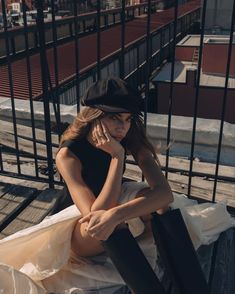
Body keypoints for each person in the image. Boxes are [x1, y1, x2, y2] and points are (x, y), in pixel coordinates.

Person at [56, 77, 173, 293]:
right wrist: (117, 156)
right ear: (94, 116)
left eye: (128, 119)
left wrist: (118, 214)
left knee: (159, 205)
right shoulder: (68, 154)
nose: (123, 127)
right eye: (114, 118)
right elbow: (96, 214)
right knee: (104, 225)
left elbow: (165, 193)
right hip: (77, 223)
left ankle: (167, 268)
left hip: (112, 206)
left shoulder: (129, 135)